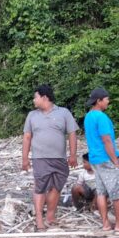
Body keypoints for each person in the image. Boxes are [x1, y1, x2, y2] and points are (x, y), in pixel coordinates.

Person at [22, 85, 78, 230]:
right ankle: (39, 219)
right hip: (40, 158)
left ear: (44, 97)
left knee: (56, 187)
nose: (34, 100)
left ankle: (50, 216)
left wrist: (72, 155)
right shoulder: (32, 115)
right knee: (40, 188)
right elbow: (27, 137)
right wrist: (25, 159)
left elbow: (72, 133)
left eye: (36, 97)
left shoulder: (64, 113)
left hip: (60, 158)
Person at [84, 87, 119, 232]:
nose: (108, 102)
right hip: (106, 158)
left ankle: (105, 224)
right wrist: (115, 160)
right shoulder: (101, 117)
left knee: (101, 191)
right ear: (99, 101)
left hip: (95, 159)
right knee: (118, 192)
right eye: (106, 99)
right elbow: (107, 140)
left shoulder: (88, 116)